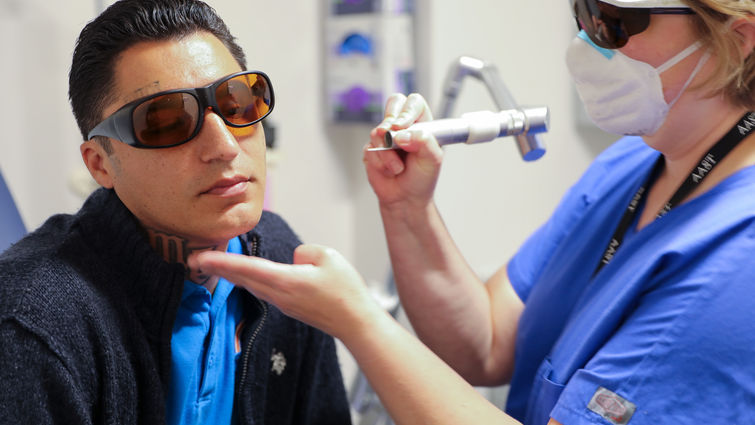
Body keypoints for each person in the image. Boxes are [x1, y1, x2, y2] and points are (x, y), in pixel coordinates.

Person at [191, 0, 755, 424]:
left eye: (612, 21)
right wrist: (408, 209)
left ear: (738, 38)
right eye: (581, 11)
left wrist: (358, 321)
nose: (587, 41)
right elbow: (483, 343)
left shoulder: (740, 259)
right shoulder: (635, 162)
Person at [0, 0, 352, 424]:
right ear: (100, 163)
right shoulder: (32, 324)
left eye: (237, 102)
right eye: (165, 121)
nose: (224, 145)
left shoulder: (281, 261)